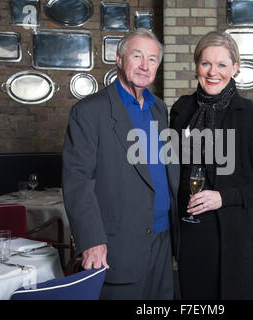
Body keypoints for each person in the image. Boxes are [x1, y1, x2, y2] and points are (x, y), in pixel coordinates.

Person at [62, 29, 180, 300]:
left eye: (152, 59)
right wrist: (91, 240)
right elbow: (77, 180)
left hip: (163, 239)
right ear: (118, 59)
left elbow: (162, 168)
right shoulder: (89, 111)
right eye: (137, 56)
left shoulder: (159, 109)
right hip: (118, 244)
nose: (144, 65)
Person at [169, 31, 253, 299]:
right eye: (206, 63)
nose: (213, 72)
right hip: (192, 231)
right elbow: (174, 168)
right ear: (196, 65)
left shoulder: (250, 114)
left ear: (235, 68)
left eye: (222, 64)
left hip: (235, 235)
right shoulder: (182, 109)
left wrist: (223, 197)